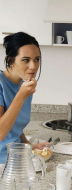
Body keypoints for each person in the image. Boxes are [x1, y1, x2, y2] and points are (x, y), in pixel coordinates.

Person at [0, 32, 49, 172]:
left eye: (37, 59)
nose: (33, 66)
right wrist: (21, 96)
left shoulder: (24, 85)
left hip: (17, 158)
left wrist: (28, 146)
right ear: (10, 60)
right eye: (26, 60)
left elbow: (15, 126)